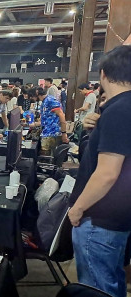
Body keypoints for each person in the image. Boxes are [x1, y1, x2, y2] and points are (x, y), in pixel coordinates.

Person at [68, 45, 131, 297]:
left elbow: (107, 173)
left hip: (100, 220)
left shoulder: (120, 110)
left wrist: (78, 208)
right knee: (110, 282)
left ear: (103, 74)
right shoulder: (119, 109)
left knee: (97, 287)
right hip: (116, 217)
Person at [28, 87, 68, 156]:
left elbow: (62, 116)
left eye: (32, 97)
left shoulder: (51, 101)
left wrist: (64, 133)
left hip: (52, 133)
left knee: (46, 156)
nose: (33, 99)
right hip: (46, 132)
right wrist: (34, 124)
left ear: (37, 93)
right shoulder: (44, 102)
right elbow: (46, 120)